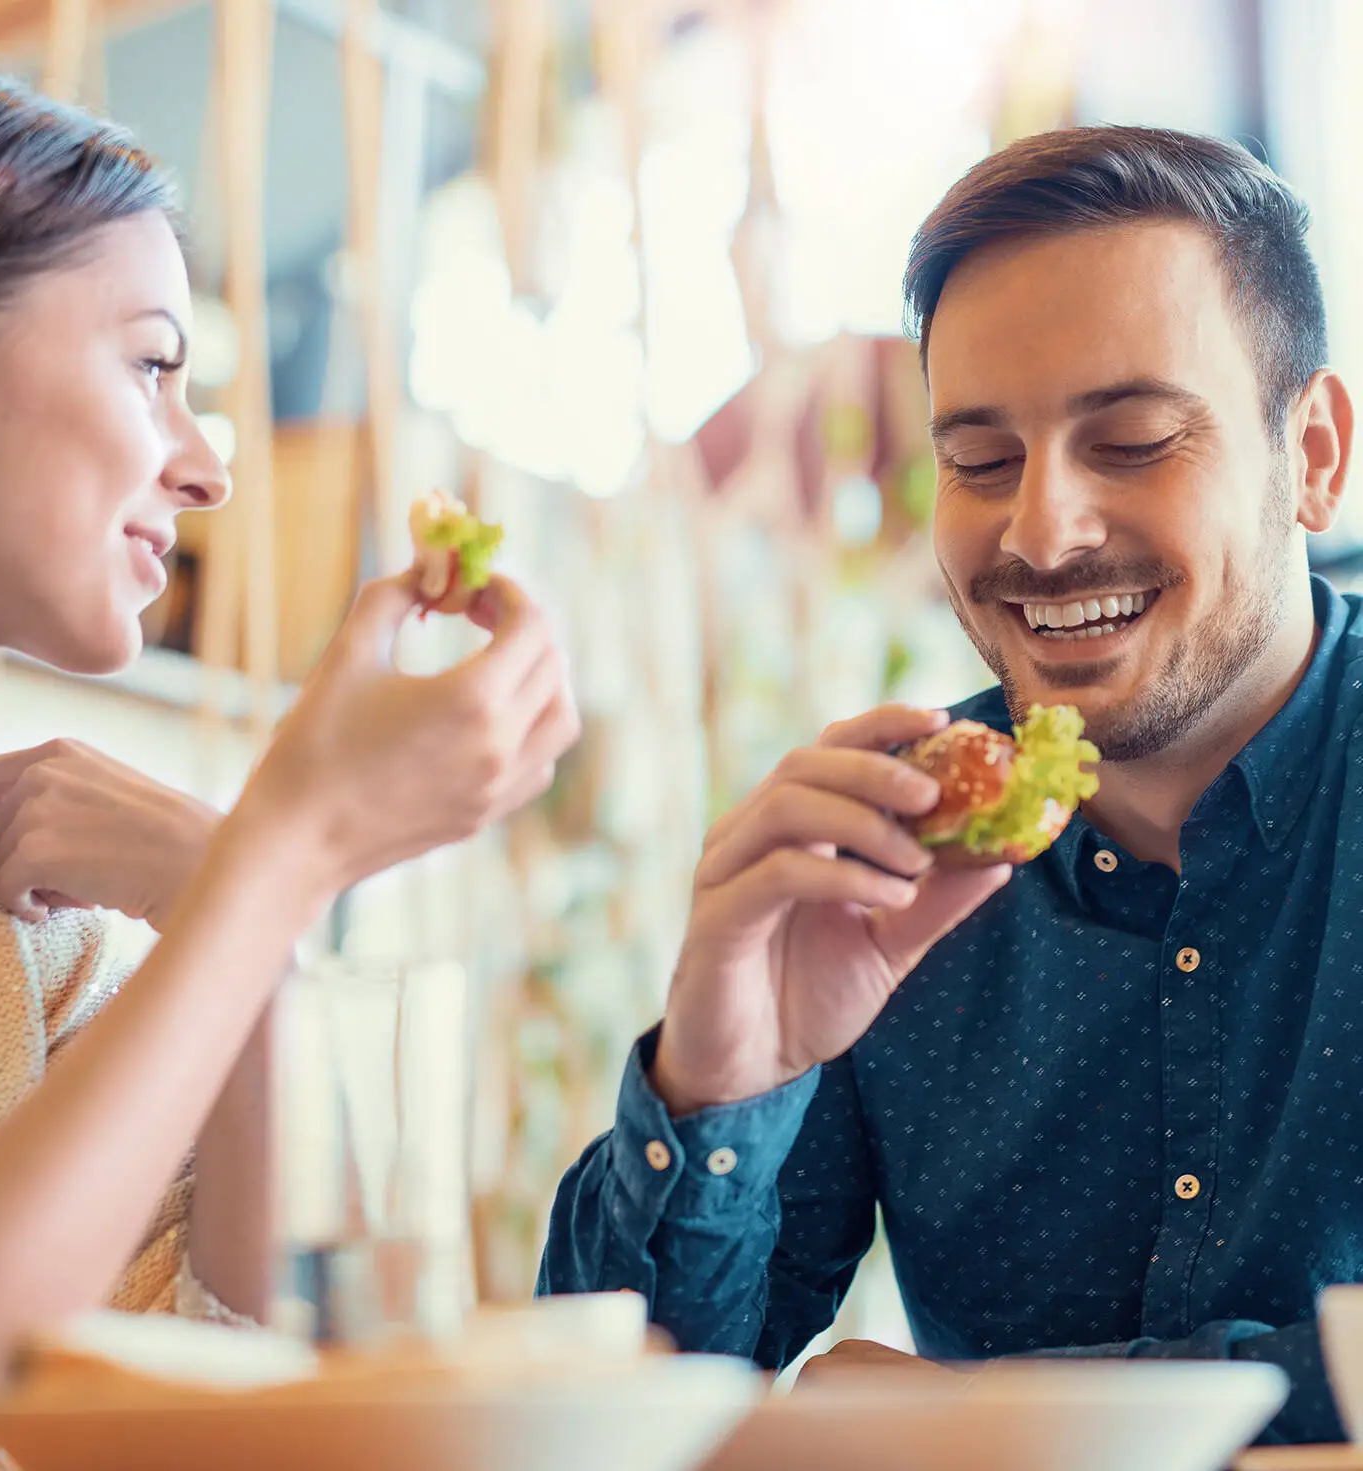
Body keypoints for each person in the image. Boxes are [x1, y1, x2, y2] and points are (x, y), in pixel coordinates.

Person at [538, 123, 1361, 1446]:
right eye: (978, 461)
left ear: (1311, 451)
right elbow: (614, 1417)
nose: (1039, 530)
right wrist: (718, 1078)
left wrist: (990, 1419)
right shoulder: (884, 854)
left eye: (1134, 438)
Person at [0, 55, 576, 1429]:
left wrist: (254, 930)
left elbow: (212, 1388)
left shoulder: (12, 902)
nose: (208, 464)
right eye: (152, 363)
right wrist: (278, 856)